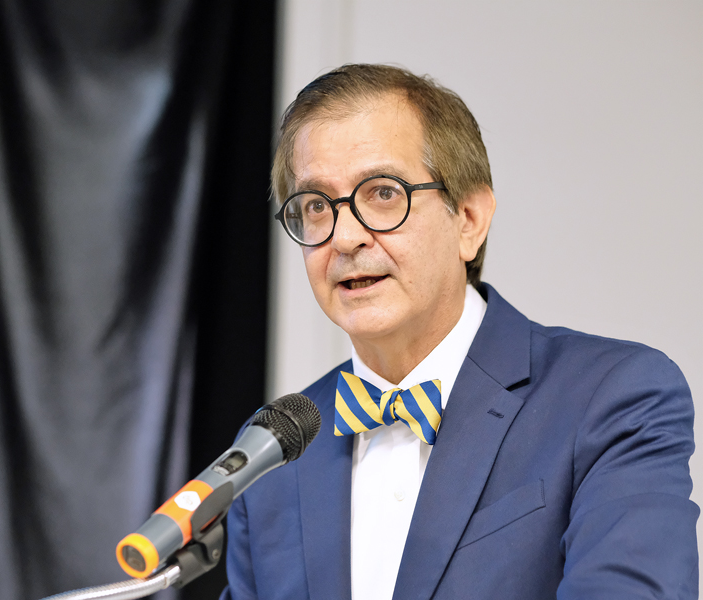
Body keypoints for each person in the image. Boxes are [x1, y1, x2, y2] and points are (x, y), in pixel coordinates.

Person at [220, 64, 698, 600]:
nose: (346, 237)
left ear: (469, 218)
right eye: (315, 205)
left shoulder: (612, 396)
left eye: (383, 193)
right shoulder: (271, 455)